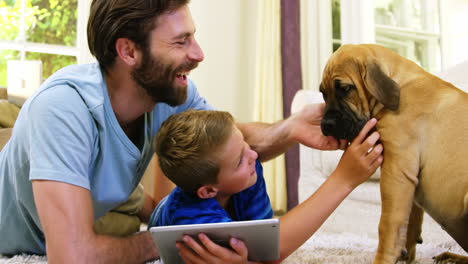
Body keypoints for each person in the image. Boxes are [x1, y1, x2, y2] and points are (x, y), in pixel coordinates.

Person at [0, 0, 382, 263]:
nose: (198, 53)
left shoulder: (170, 91)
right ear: (129, 52)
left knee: (136, 210)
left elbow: (218, 146)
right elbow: (73, 257)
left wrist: (291, 128)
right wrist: (172, 240)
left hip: (103, 204)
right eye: (181, 41)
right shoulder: (64, 109)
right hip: (14, 235)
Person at [147, 109, 382, 263]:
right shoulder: (190, 216)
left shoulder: (249, 171)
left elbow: (267, 245)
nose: (253, 155)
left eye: (244, 143)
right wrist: (343, 179)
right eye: (239, 160)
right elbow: (274, 249)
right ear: (208, 191)